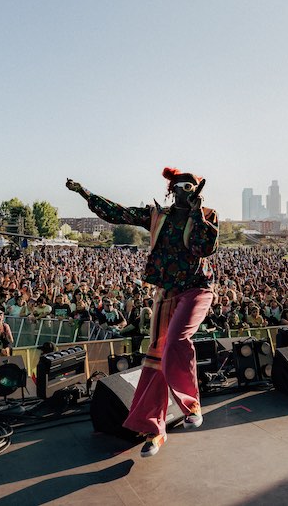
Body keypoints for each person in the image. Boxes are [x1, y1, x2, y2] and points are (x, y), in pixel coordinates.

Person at [67, 167, 218, 457]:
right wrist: (86, 193)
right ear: (170, 190)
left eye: (189, 188)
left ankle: (191, 405)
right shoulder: (157, 216)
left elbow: (204, 247)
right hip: (166, 292)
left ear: (197, 192)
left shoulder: (207, 215)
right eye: (178, 187)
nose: (182, 192)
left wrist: (197, 213)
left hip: (197, 290)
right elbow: (118, 213)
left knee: (176, 341)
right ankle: (154, 430)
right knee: (155, 358)